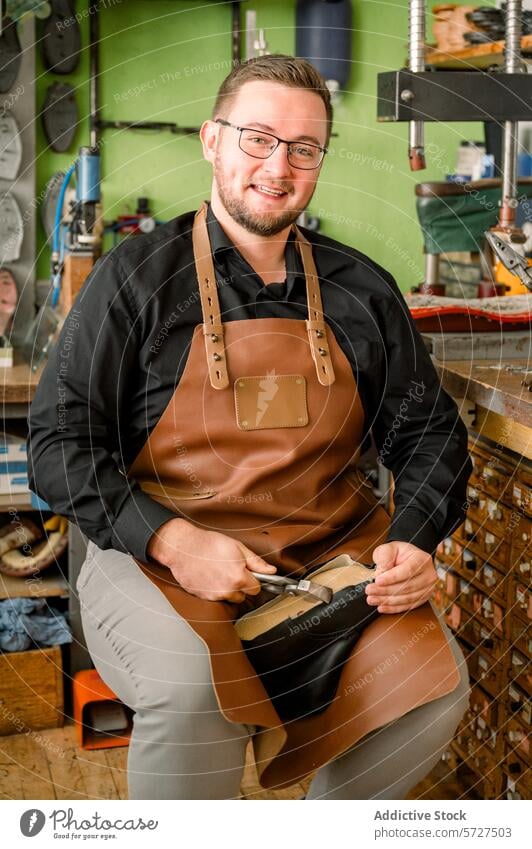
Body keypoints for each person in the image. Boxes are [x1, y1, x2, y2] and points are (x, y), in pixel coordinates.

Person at [28, 54, 472, 800]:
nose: (279, 166)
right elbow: (57, 446)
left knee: (433, 684)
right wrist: (173, 540)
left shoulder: (361, 288)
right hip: (154, 557)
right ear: (211, 140)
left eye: (304, 149)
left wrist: (414, 539)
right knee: (191, 691)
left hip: (327, 557)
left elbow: (430, 434)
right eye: (257, 138)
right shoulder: (132, 280)